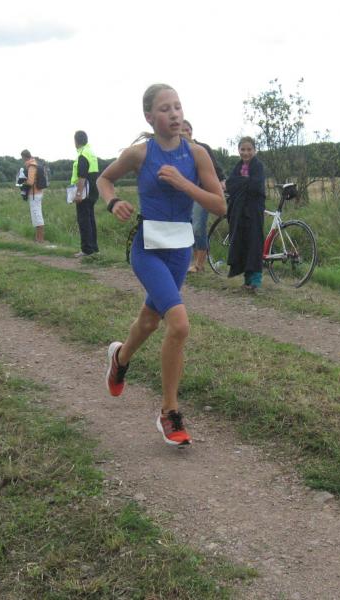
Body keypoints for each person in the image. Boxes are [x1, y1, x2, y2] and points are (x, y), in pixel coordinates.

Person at [97, 83, 226, 447]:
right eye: (165, 108)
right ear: (149, 117)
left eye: (178, 107)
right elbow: (104, 179)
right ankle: (169, 412)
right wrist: (113, 202)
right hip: (148, 250)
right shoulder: (140, 154)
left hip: (180, 252)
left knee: (150, 320)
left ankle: (120, 358)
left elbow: (220, 206)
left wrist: (185, 184)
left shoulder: (197, 154)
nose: (174, 114)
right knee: (179, 325)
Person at [180, 119, 226, 273]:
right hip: (185, 194)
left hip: (203, 192)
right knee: (188, 228)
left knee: (198, 227)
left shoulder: (202, 148)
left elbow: (215, 167)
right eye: (183, 130)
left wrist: (222, 180)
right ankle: (195, 261)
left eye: (188, 129)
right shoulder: (177, 151)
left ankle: (199, 264)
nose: (186, 132)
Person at [225, 136, 266, 292]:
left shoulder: (258, 166)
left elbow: (256, 186)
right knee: (242, 242)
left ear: (255, 150)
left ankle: (255, 280)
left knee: (254, 243)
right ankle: (247, 280)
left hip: (254, 211)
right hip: (239, 212)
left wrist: (240, 183)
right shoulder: (237, 167)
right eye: (243, 149)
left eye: (249, 149)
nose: (246, 152)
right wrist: (244, 182)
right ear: (238, 150)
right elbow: (230, 185)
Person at [71, 130, 100, 257]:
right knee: (90, 220)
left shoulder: (82, 154)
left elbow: (82, 176)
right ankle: (94, 248)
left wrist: (78, 194)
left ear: (76, 141)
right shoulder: (91, 152)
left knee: (84, 221)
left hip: (85, 193)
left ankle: (87, 250)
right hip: (93, 190)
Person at [20, 149, 47, 244]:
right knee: (36, 215)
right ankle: (37, 238)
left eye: (22, 158)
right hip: (37, 193)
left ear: (24, 157)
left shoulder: (31, 166)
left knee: (37, 215)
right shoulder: (35, 164)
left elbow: (30, 182)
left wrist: (22, 182)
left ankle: (40, 239)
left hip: (34, 194)